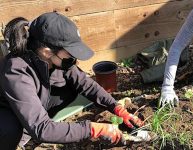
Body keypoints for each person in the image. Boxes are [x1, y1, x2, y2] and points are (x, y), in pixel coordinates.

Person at [0, 12, 143, 150]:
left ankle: (33, 122)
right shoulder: (16, 71)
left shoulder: (56, 61)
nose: (74, 59)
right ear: (47, 51)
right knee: (10, 129)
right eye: (70, 54)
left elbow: (86, 84)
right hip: (7, 112)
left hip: (33, 103)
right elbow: (42, 129)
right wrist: (92, 129)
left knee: (70, 88)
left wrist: (117, 108)